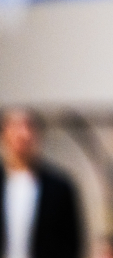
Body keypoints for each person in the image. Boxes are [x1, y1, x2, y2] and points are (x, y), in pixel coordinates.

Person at [0, 108, 84, 258]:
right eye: (15, 126)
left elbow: (70, 242)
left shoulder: (59, 187)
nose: (22, 134)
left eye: (28, 126)